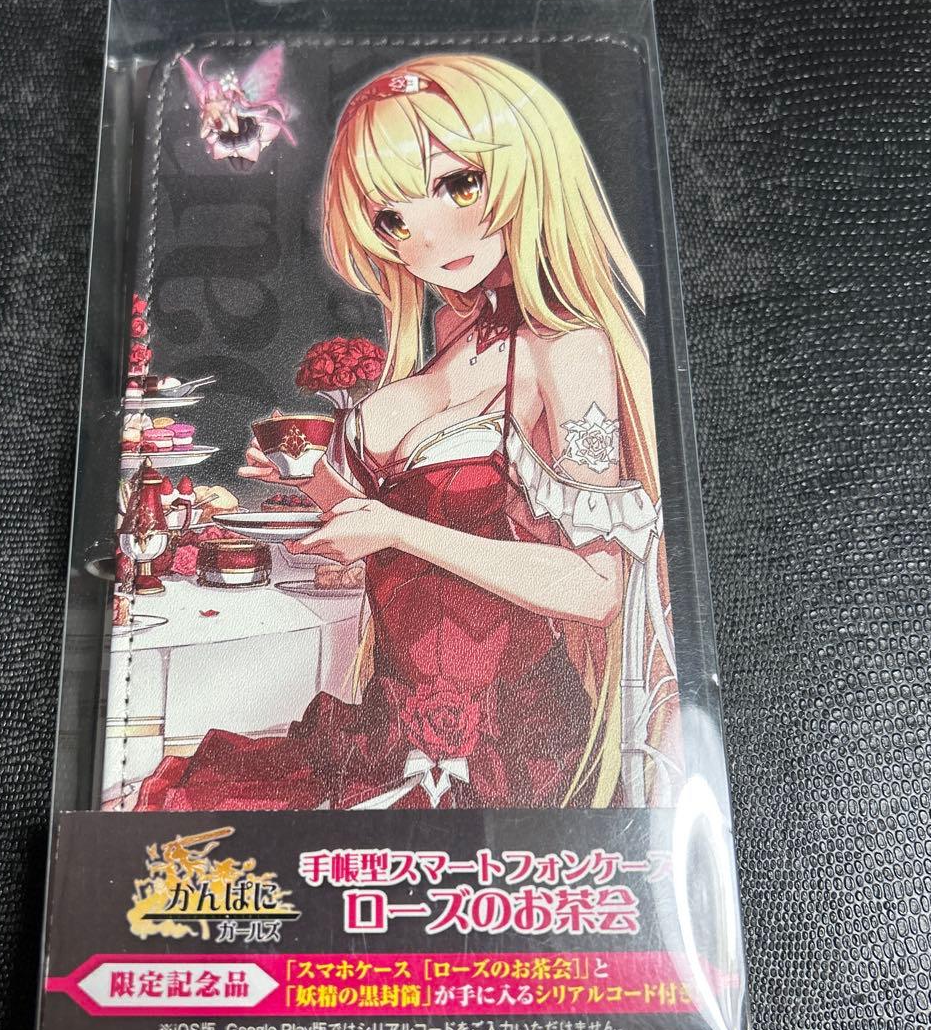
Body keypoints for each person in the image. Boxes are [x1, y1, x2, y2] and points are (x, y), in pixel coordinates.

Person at [136, 53, 680, 812]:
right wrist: (314, 481)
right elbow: (409, 517)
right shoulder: (456, 330)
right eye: (392, 219)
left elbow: (594, 589)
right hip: (390, 720)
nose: (428, 235)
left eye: (461, 184)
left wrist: (397, 529)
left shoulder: (570, 351)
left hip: (503, 749)